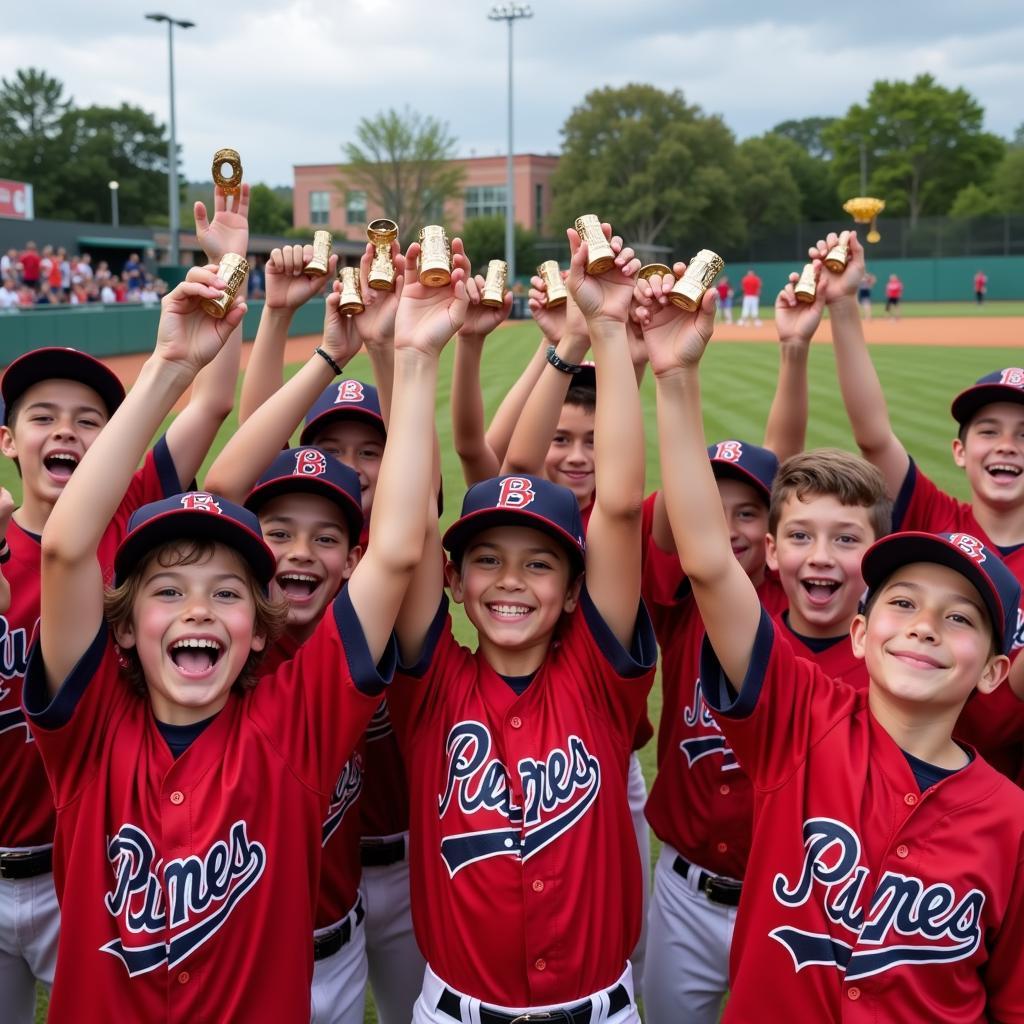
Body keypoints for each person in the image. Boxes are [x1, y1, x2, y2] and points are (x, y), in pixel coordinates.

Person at [646, 272, 1024, 1022]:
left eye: (960, 619)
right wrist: (675, 376)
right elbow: (710, 560)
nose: (923, 626)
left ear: (994, 669)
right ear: (863, 628)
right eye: (906, 602)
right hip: (689, 896)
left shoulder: (1011, 821)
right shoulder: (799, 722)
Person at [390, 222, 654, 1024]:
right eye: (487, 561)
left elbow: (614, 509)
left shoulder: (599, 680)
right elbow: (402, 532)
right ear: (453, 582)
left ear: (576, 589)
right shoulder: (429, 686)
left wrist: (606, 331)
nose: (510, 581)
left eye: (539, 563)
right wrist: (414, 359)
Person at [822, 228, 1024, 777]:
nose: (1006, 446)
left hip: (998, 795)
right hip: (892, 769)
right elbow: (873, 436)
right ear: (960, 450)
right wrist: (842, 304)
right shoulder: (937, 520)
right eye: (989, 431)